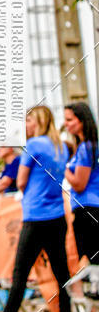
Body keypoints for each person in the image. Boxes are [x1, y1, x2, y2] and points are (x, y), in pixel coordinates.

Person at [0, 106, 72, 312]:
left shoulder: (33, 146)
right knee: (60, 272)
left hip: (35, 216)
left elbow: (21, 180)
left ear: (39, 121)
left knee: (20, 272)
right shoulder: (62, 147)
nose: (25, 124)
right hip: (57, 216)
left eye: (28, 120)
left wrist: (29, 190)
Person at [63, 101, 99, 266]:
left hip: (88, 208)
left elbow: (79, 184)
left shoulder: (86, 148)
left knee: (91, 261)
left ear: (82, 121)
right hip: (86, 208)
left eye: (70, 120)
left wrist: (63, 168)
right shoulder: (84, 147)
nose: (66, 124)